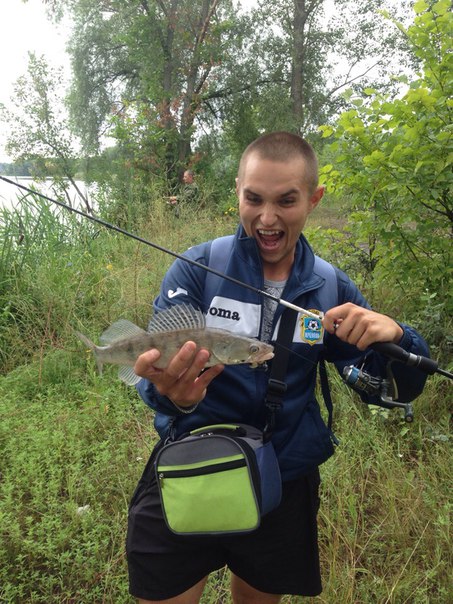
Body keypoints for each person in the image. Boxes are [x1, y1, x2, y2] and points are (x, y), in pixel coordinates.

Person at [127, 132, 429, 603]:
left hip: (282, 479)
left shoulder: (331, 288)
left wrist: (398, 337)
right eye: (254, 199)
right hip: (189, 464)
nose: (267, 219)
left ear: (314, 199)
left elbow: (387, 389)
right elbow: (154, 374)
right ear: (237, 192)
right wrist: (172, 395)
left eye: (286, 201)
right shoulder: (196, 270)